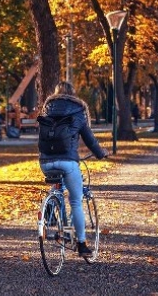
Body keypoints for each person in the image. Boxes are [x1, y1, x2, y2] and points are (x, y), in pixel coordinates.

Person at [38, 81, 109, 257]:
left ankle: (54, 217)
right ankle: (82, 244)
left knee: (58, 190)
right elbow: (90, 140)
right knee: (76, 201)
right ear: (73, 94)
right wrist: (101, 154)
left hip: (45, 162)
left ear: (56, 93)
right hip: (68, 162)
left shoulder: (47, 109)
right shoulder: (78, 111)